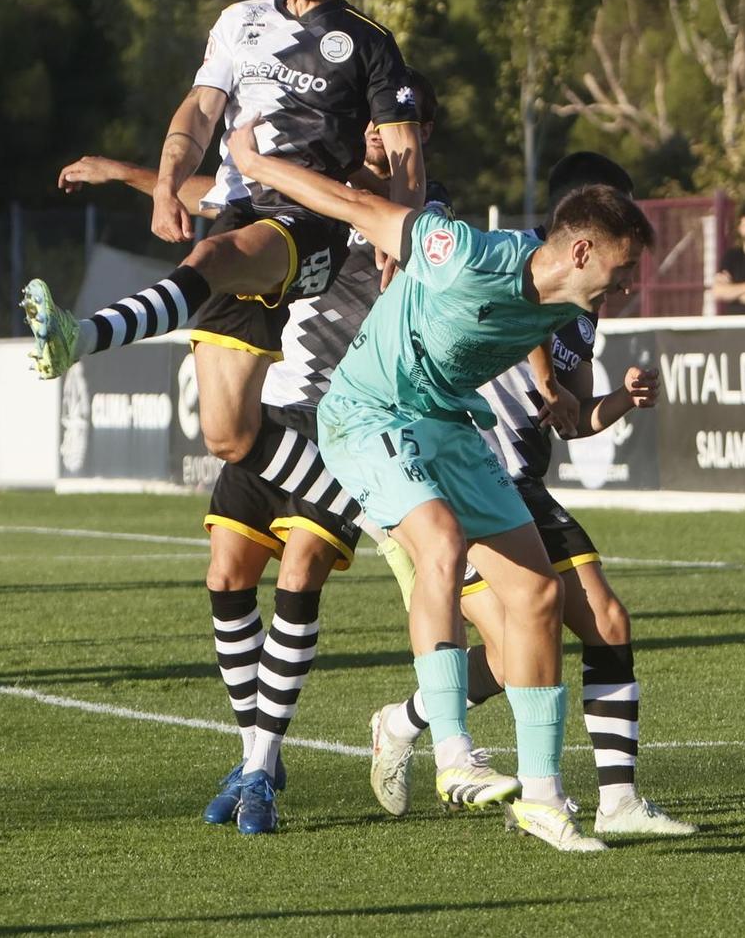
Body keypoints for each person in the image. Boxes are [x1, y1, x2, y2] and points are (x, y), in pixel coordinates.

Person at [228, 117, 653, 853]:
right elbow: (355, 206)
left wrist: (568, 396)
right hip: (367, 413)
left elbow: (538, 346)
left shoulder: (567, 306)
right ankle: (453, 753)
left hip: (449, 422)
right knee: (442, 542)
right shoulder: (464, 252)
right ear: (582, 251)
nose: (626, 285)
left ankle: (543, 797)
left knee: (538, 594)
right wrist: (252, 162)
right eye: (622, 269)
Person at [59, 73, 443, 835]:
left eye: (390, 122)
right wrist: (129, 173)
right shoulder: (309, 189)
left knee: (299, 575)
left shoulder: (420, 220)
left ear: (418, 135)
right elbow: (214, 194)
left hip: (344, 422)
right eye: (366, 118)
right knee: (226, 575)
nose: (374, 129)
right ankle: (254, 756)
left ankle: (262, 768)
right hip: (272, 413)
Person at [21, 0, 422, 551]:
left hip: (308, 220)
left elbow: (406, 155)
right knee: (229, 436)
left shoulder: (369, 44)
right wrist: (166, 184)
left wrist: (399, 237)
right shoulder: (240, 21)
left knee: (209, 258)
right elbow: (200, 110)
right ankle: (376, 520)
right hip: (236, 214)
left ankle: (80, 336)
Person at [368, 150, 696, 840]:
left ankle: (618, 801)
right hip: (464, 479)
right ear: (581, 223)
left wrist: (621, 400)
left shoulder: (587, 308)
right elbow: (509, 321)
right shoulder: (511, 268)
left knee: (608, 621)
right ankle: (412, 728)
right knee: (511, 651)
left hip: (525, 484)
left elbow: (572, 417)